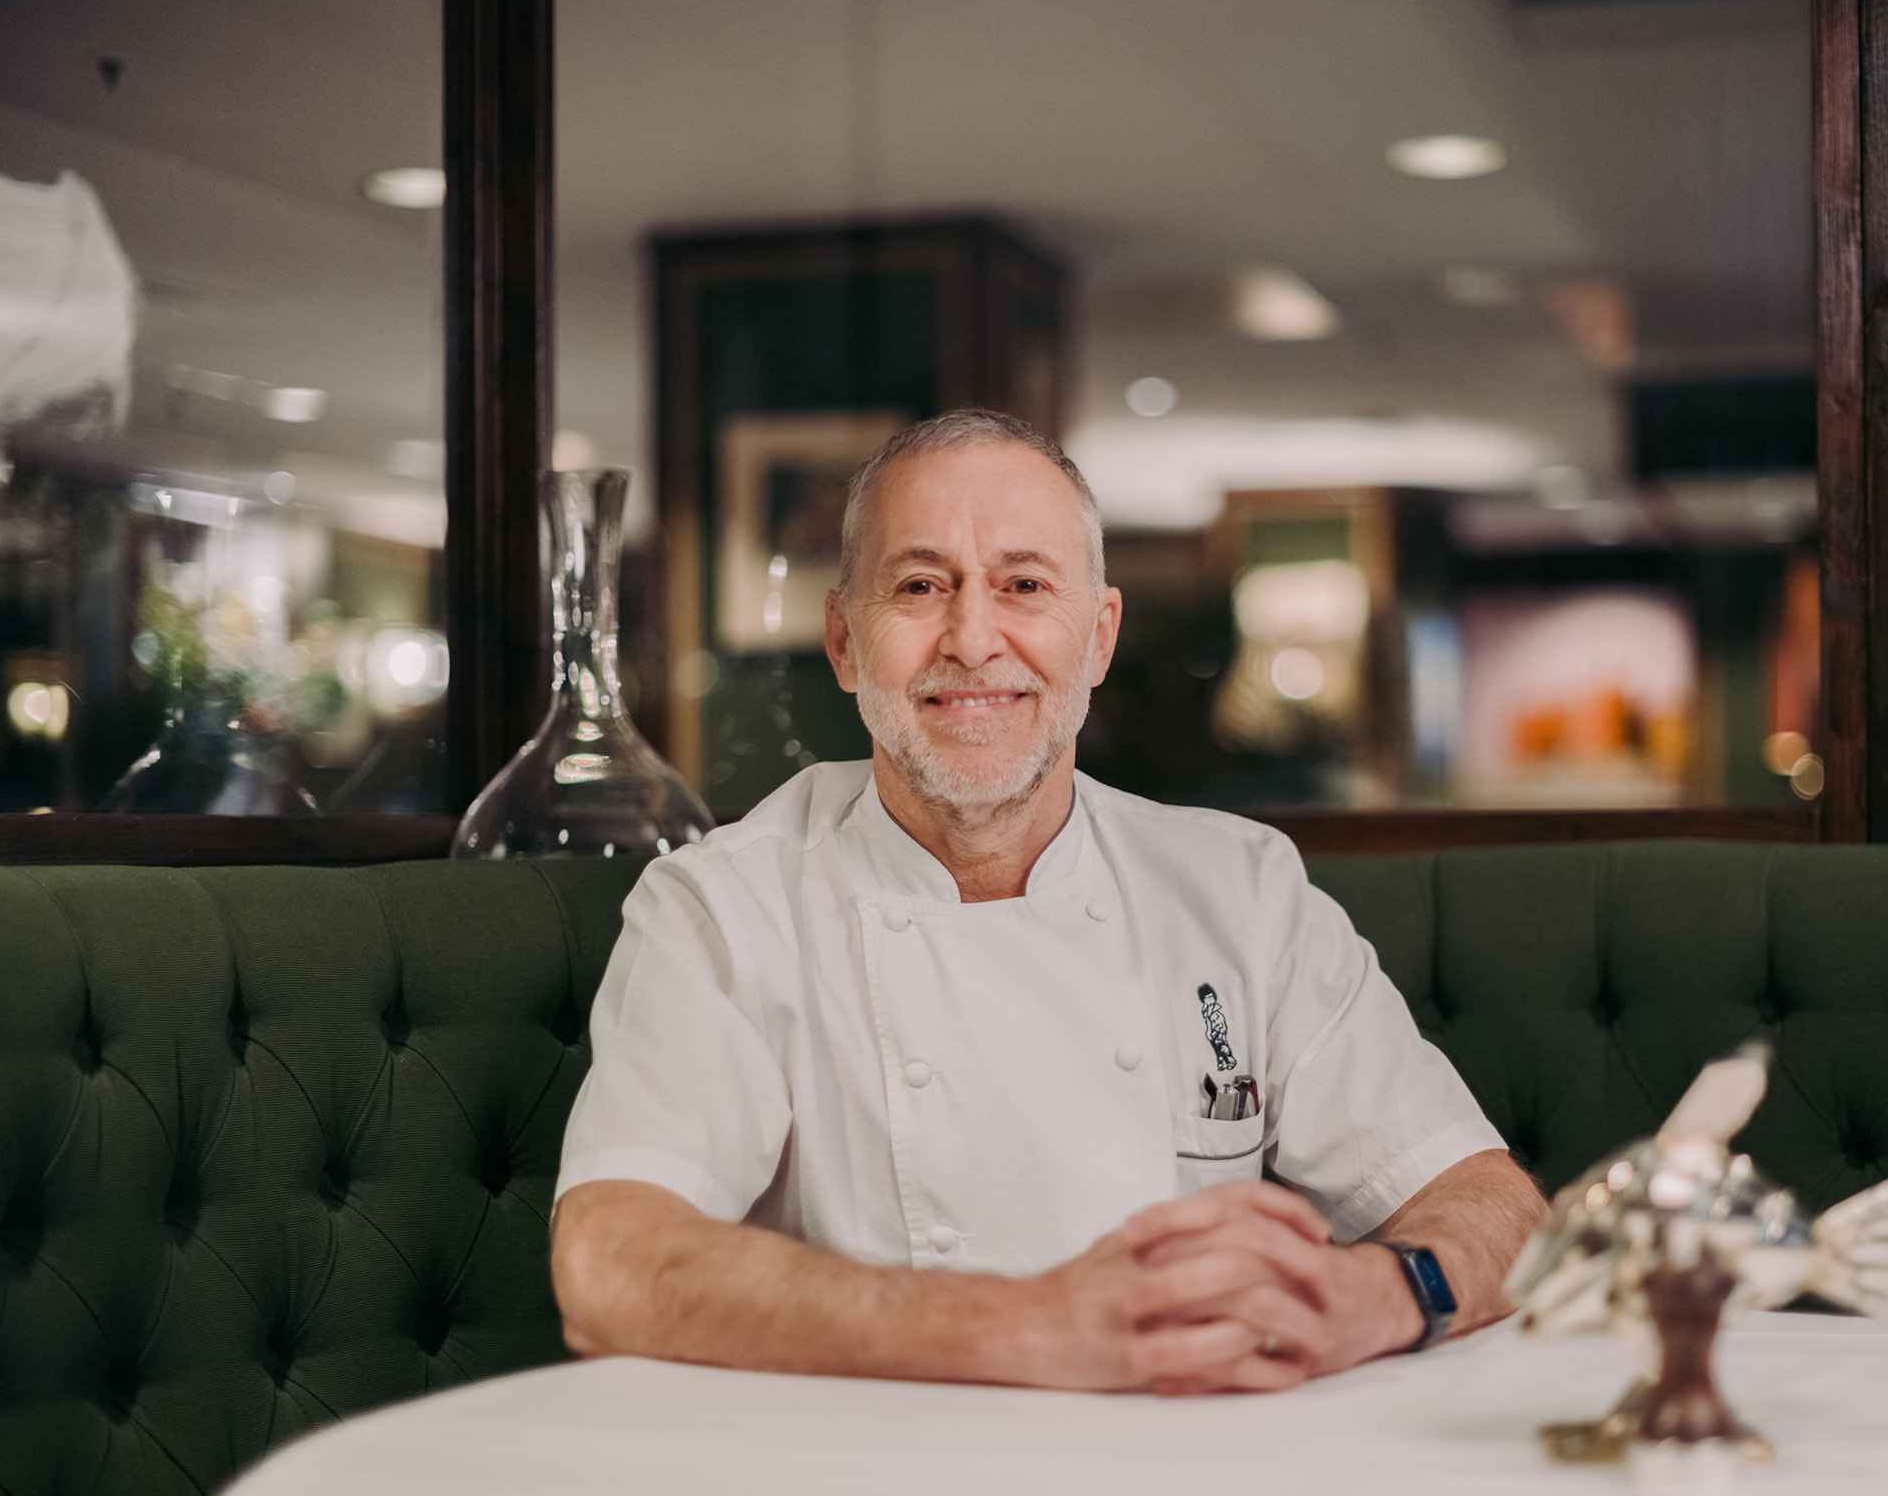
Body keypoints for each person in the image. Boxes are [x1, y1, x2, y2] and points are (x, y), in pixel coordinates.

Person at [551, 409, 1548, 1395]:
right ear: (845, 642)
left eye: (1024, 585)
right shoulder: (722, 908)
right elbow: (611, 1262)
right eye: (919, 587)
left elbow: (1493, 1206)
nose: (974, 638)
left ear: (1099, 637)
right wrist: (1033, 1327)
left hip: (1185, 1471)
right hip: (867, 1489)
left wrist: (1370, 1296)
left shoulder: (1239, 889)